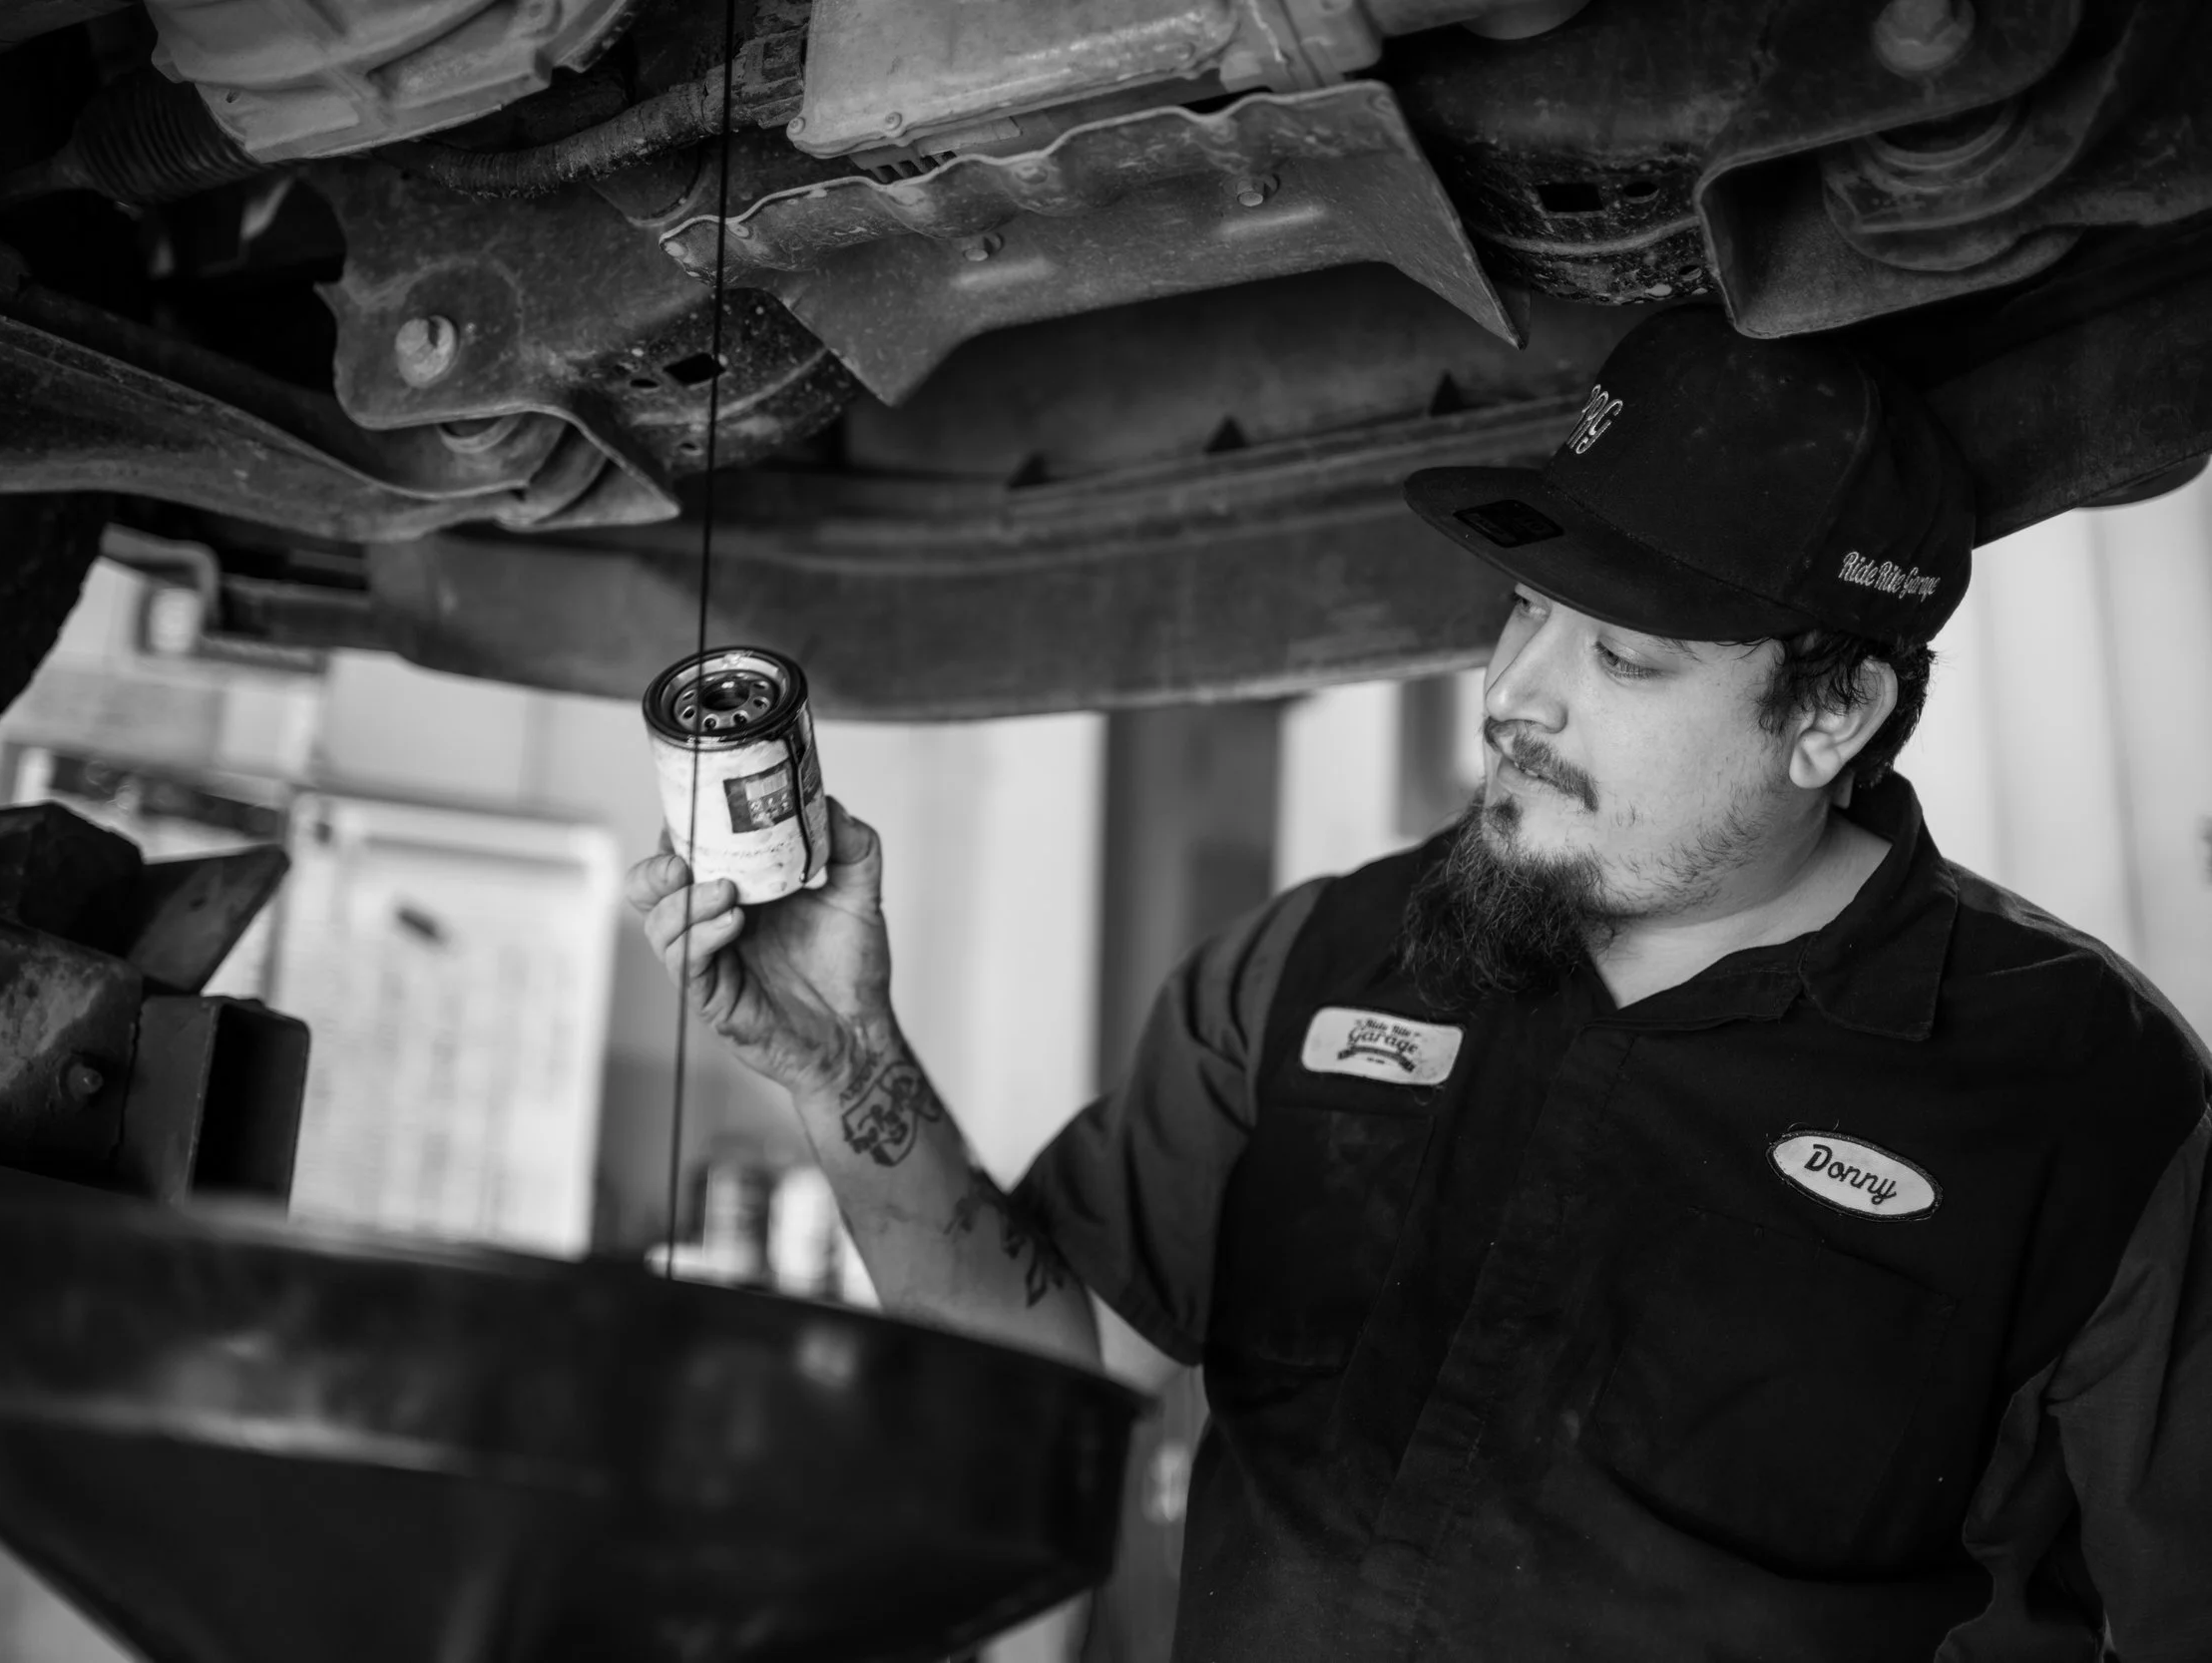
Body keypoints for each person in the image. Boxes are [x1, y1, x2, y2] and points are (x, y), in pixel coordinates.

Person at [625, 307, 2212, 1661]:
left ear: (1832, 714)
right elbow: (1056, 1379)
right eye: (1529, 607)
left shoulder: (2088, 1100)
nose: (1516, 691)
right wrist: (843, 1068)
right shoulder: (1317, 962)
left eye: (1625, 656)